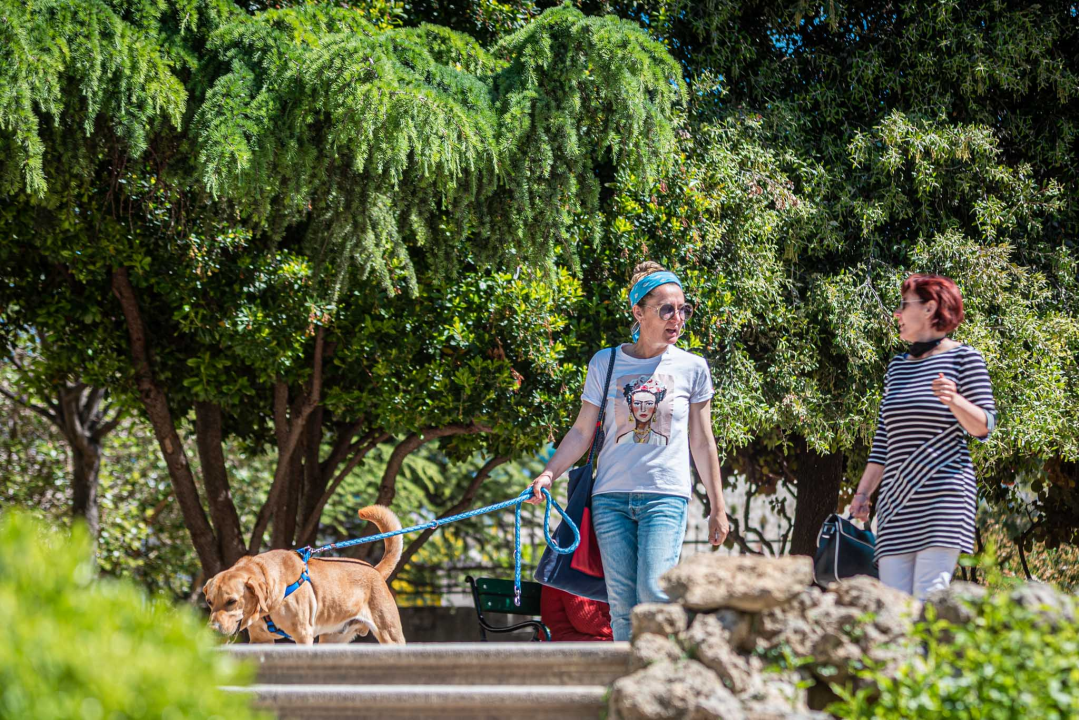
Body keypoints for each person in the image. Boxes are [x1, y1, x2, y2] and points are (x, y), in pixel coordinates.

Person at [527, 261, 730, 641]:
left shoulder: (693, 367)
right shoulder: (605, 362)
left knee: (654, 594)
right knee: (621, 607)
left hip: (665, 496)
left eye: (683, 309)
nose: (678, 319)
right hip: (610, 498)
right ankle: (630, 676)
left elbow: (703, 441)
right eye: (666, 310)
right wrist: (549, 473)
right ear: (639, 312)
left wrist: (718, 506)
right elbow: (581, 431)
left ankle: (659, 671)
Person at [851, 274, 997, 600]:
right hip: (895, 503)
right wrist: (862, 494)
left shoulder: (964, 358)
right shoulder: (897, 367)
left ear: (930, 308)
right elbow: (883, 442)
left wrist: (954, 400)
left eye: (905, 305)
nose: (897, 313)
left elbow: (985, 426)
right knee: (893, 606)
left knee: (928, 600)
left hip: (943, 498)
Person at [539, 586, 613, 641]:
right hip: (561, 638)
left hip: (583, 635)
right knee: (617, 646)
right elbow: (586, 622)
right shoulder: (573, 574)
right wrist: (616, 632)